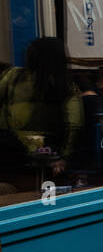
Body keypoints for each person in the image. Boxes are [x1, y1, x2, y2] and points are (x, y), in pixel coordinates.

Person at [0, 37, 83, 184]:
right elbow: (73, 126)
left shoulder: (12, 76)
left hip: (9, 154)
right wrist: (63, 158)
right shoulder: (65, 87)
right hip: (45, 160)